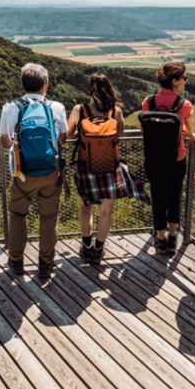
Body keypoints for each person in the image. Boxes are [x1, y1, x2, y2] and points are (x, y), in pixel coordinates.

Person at [67, 73, 150, 265]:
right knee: (106, 211)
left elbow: (69, 133)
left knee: (85, 206)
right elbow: (119, 133)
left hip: (86, 167)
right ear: (109, 89)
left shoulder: (80, 109)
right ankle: (98, 250)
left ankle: (86, 247)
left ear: (90, 89)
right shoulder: (116, 111)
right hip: (110, 168)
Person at [0, 62, 68, 279]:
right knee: (48, 217)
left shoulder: (11, 107)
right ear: (45, 84)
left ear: (24, 84)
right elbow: (62, 138)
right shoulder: (56, 107)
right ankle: (45, 264)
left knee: (18, 215)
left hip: (22, 173)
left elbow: (5, 141)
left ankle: (16, 260)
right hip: (50, 171)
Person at [141, 62, 194, 256]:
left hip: (153, 159)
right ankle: (173, 238)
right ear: (174, 81)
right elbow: (190, 132)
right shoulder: (184, 104)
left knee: (158, 198)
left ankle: (160, 239)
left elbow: (143, 130)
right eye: (184, 78)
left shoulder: (149, 101)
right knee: (174, 197)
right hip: (176, 159)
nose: (186, 80)